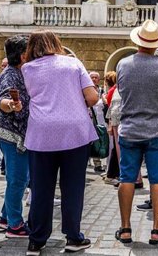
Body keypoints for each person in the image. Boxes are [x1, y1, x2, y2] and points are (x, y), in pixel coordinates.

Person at [20, 30, 99, 256]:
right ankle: (73, 237)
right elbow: (93, 98)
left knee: (41, 188)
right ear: (56, 43)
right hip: (75, 131)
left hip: (41, 133)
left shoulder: (27, 69)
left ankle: (36, 241)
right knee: (73, 187)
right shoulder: (73, 64)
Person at [115, 19, 158, 246]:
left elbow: (121, 90)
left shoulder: (123, 64)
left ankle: (126, 228)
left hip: (129, 129)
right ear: (156, 43)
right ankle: (157, 230)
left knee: (127, 177)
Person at [0, 35, 30, 238]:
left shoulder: (17, 71)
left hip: (13, 133)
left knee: (20, 178)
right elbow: (4, 99)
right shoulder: (11, 74)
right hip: (11, 134)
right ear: (23, 55)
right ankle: (15, 225)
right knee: (18, 179)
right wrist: (11, 105)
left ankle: (5, 217)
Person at [89, 71, 106, 173]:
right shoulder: (86, 90)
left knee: (97, 141)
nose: (94, 79)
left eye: (96, 77)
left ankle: (97, 163)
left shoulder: (101, 91)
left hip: (99, 119)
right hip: (88, 119)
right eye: (92, 77)